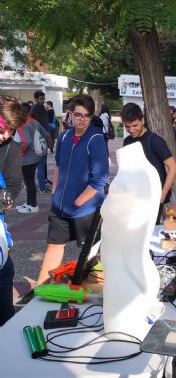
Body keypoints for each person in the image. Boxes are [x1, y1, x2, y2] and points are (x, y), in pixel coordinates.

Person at [37, 95, 110, 284]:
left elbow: (100, 178)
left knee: (92, 256)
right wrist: (55, 192)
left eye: (87, 115)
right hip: (60, 206)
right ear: (70, 114)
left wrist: (79, 200)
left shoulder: (96, 139)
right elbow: (59, 166)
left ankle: (99, 295)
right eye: (78, 114)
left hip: (85, 209)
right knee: (53, 246)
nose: (82, 119)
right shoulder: (64, 136)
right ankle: (40, 289)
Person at [121, 103, 176, 223]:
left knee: (148, 233)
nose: (131, 130)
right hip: (134, 196)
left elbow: (173, 167)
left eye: (135, 125)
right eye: (127, 126)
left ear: (142, 120)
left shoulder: (154, 140)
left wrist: (162, 194)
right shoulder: (127, 141)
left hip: (153, 197)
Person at [0, 95, 27, 325]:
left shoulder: (12, 148)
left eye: (11, 130)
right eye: (3, 128)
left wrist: (6, 199)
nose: (5, 135)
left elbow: (13, 188)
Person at [14, 109, 49, 213]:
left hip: (27, 159)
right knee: (30, 181)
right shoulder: (35, 122)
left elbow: (26, 141)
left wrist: (20, 154)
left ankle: (33, 205)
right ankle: (29, 203)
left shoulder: (21, 125)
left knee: (29, 181)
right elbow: (45, 134)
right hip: (37, 155)